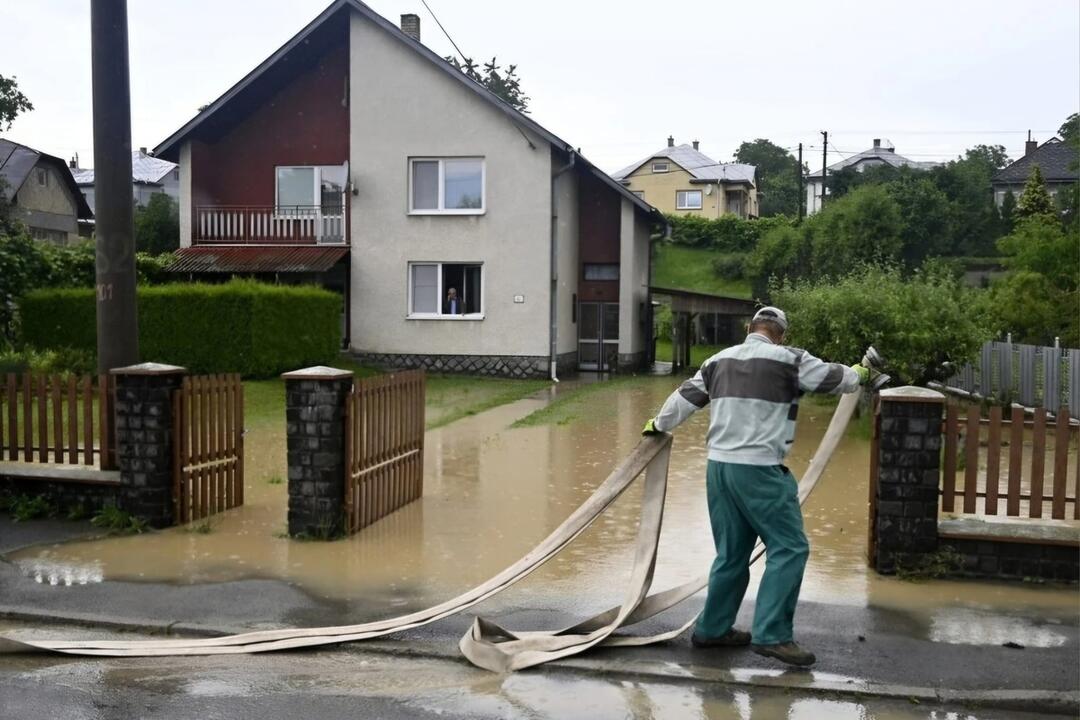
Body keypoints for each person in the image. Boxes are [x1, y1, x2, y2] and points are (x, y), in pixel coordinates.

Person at [642, 306, 869, 667]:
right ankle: (773, 635)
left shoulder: (718, 360)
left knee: (731, 554)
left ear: (750, 328)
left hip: (719, 468)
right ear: (781, 334)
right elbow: (833, 378)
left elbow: (684, 399)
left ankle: (713, 630)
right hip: (760, 469)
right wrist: (859, 373)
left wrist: (657, 423)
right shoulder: (789, 359)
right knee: (790, 548)